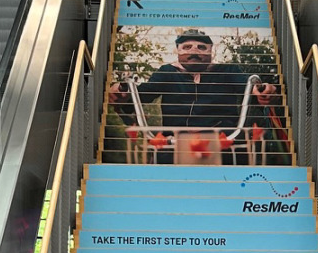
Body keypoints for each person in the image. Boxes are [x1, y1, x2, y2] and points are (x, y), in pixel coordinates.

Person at [110, 30, 278, 161]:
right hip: (175, 140)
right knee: (162, 160)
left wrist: (260, 90)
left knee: (235, 158)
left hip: (223, 138)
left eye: (201, 47)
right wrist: (122, 92)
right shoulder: (167, 72)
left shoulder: (227, 71)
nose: (194, 51)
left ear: (211, 50)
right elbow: (143, 94)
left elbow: (247, 86)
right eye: (187, 47)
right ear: (178, 51)